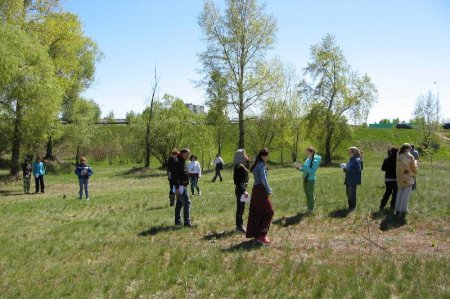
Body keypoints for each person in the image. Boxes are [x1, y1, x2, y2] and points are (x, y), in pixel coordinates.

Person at [246, 148, 274, 245]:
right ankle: (262, 235)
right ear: (263, 156)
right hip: (261, 190)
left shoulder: (257, 164)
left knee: (258, 213)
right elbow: (263, 179)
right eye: (267, 155)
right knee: (270, 212)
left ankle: (257, 235)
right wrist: (268, 189)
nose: (267, 157)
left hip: (256, 190)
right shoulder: (261, 165)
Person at [295, 146, 321, 213]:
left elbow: (312, 171)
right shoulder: (308, 159)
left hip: (310, 180)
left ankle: (311, 210)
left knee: (310, 195)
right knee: (307, 194)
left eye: (308, 152)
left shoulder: (315, 160)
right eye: (306, 153)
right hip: (305, 179)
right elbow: (305, 170)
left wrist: (303, 166)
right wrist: (299, 168)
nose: (307, 154)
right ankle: (311, 204)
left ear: (312, 152)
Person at [396, 143, 418, 219]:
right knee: (406, 195)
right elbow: (414, 168)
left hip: (400, 177)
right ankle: (404, 210)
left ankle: (397, 209)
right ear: (408, 149)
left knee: (399, 194)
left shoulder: (399, 156)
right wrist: (416, 163)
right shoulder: (410, 157)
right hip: (408, 177)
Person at [173, 148, 193, 227]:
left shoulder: (181, 161)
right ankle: (187, 222)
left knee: (180, 203)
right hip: (180, 186)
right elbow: (175, 176)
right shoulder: (178, 162)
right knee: (187, 202)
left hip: (183, 185)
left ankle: (177, 221)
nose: (189, 156)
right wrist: (177, 188)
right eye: (188, 154)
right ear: (183, 153)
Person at [233, 149, 250, 233]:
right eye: (244, 154)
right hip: (241, 189)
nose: (245, 155)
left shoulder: (242, 165)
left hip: (243, 189)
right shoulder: (238, 167)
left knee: (242, 207)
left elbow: (248, 171)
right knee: (240, 208)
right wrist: (244, 191)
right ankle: (239, 226)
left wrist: (247, 161)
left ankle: (240, 225)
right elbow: (240, 180)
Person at [379, 147, 398, 212]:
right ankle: (392, 206)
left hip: (388, 178)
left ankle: (382, 205)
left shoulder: (386, 159)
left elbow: (383, 168)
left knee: (387, 192)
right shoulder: (398, 159)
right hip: (396, 179)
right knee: (395, 193)